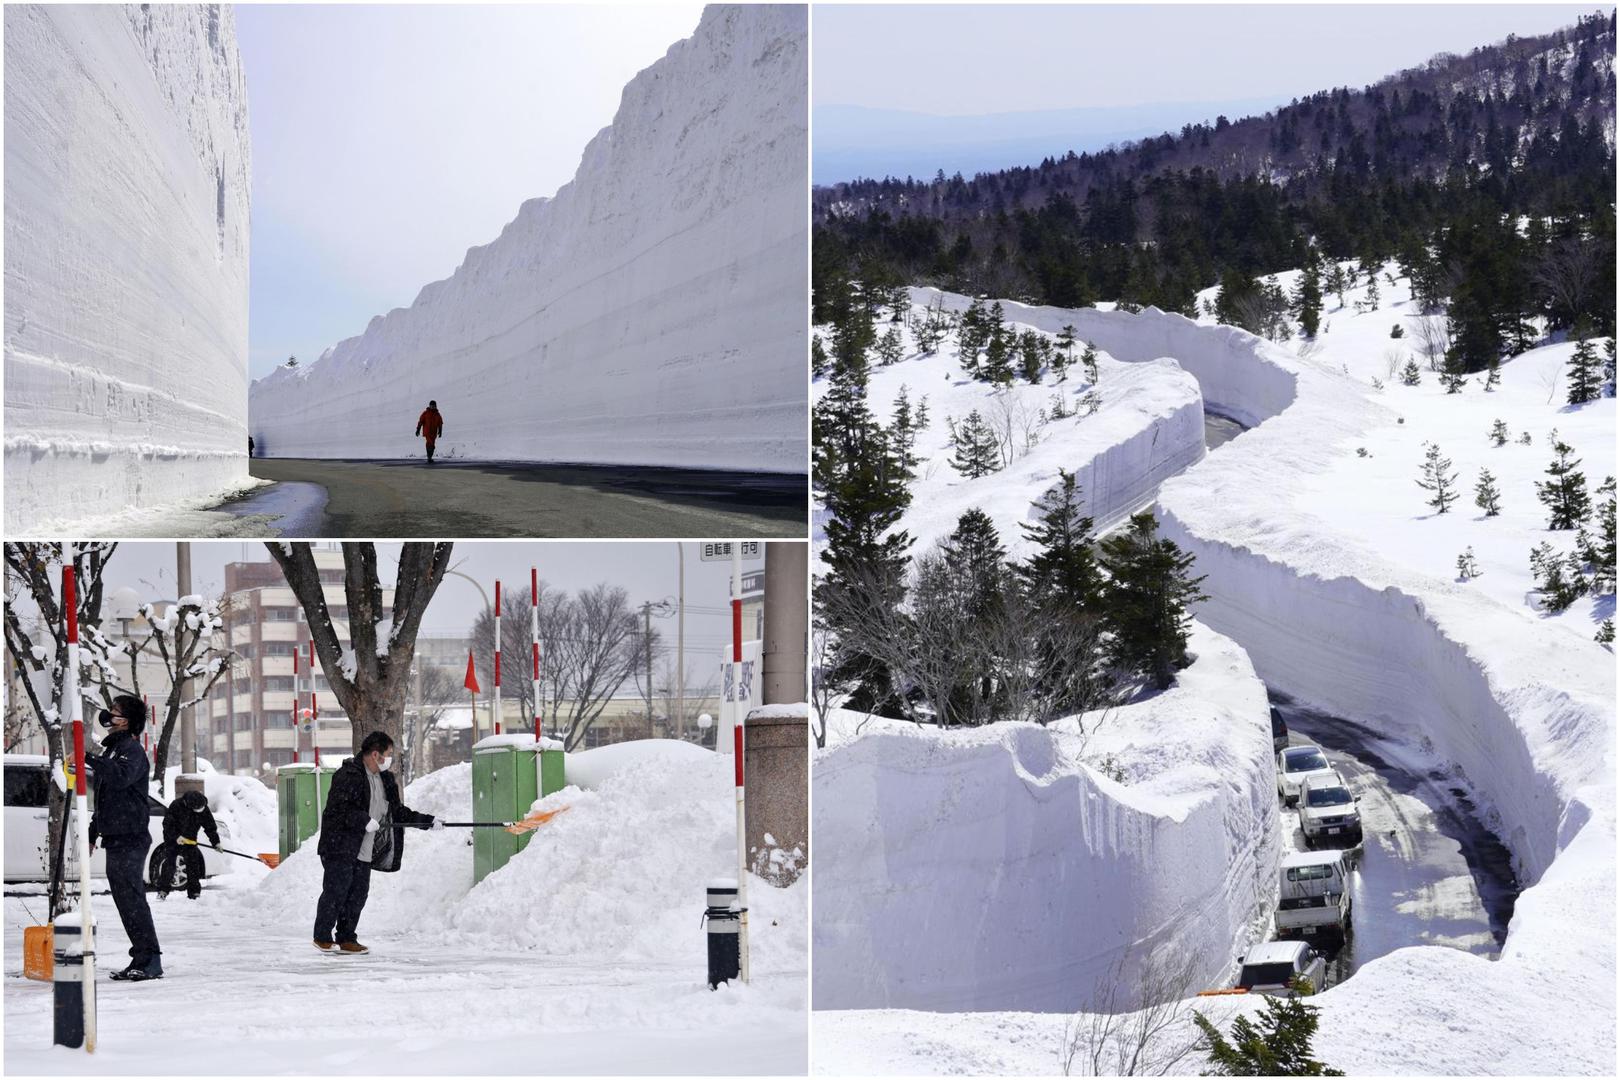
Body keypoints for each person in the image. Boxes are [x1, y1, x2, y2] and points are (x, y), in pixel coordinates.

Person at [313, 731, 439, 954]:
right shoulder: (348, 775)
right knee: (337, 890)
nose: (390, 759)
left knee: (358, 893)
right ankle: (322, 936)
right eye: (388, 754)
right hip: (340, 844)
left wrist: (428, 822)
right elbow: (339, 809)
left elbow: (398, 812)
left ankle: (346, 938)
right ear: (375, 754)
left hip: (364, 848)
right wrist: (363, 820)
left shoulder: (386, 780)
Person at [84, 695, 162, 981]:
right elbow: (105, 797)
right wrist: (94, 831)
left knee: (132, 900)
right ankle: (140, 957)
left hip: (131, 837)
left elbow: (120, 777)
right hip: (116, 837)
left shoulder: (131, 751)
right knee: (125, 901)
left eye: (114, 712)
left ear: (126, 721)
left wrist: (86, 757)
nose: (108, 716)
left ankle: (150, 959)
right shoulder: (113, 751)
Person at [152, 789, 220, 900]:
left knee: (193, 865)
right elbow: (167, 824)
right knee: (170, 864)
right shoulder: (176, 806)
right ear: (190, 806)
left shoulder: (202, 807)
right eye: (197, 809)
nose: (200, 810)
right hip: (173, 838)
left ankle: (194, 893)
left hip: (190, 838)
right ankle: (162, 890)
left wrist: (216, 842)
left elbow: (210, 827)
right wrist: (176, 837)